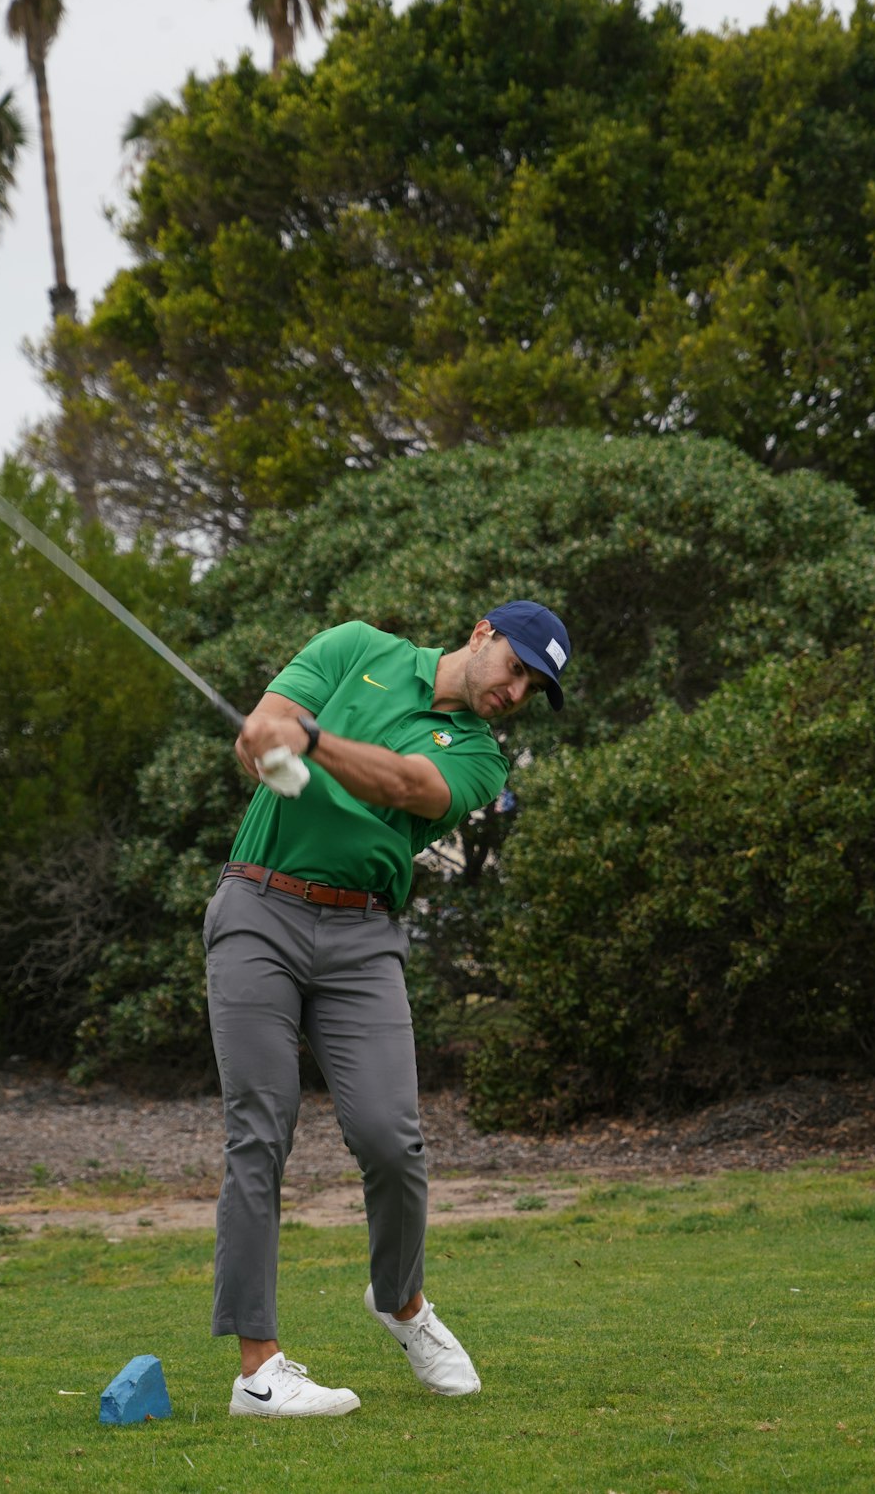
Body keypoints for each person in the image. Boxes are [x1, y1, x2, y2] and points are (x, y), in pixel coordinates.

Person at [204, 600, 571, 1418]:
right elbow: (261, 728)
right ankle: (259, 1371)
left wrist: (315, 744)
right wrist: (272, 750)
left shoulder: (481, 757)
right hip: (258, 906)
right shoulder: (353, 648)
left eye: (532, 688)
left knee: (391, 1138)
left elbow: (408, 784)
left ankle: (399, 1300)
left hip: (362, 936)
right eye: (515, 666)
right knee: (260, 1127)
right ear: (482, 633)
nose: (514, 690)